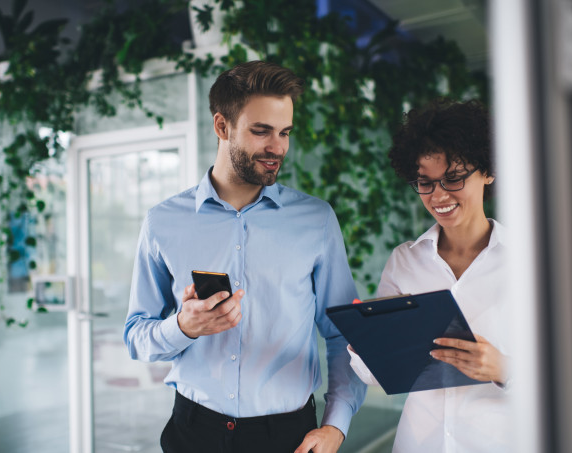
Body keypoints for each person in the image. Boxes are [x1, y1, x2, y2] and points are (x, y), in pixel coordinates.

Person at [124, 60, 367, 453]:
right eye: (261, 131)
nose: (278, 147)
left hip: (289, 437)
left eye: (285, 132)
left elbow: (342, 332)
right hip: (192, 432)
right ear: (222, 127)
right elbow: (137, 336)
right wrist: (182, 327)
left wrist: (335, 426)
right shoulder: (162, 222)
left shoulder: (316, 220)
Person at [348, 98, 511, 452]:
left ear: (488, 170)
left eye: (453, 178)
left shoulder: (529, 262)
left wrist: (503, 369)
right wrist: (368, 346)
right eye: (425, 182)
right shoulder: (405, 261)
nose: (439, 195)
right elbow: (375, 376)